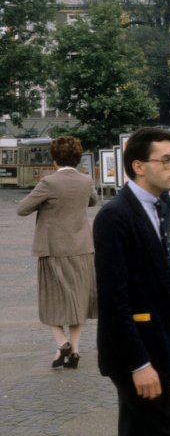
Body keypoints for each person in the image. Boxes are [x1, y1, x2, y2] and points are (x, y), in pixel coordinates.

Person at [93, 127, 170, 436]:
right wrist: (139, 364)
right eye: (167, 159)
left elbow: (163, 278)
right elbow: (114, 299)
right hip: (135, 354)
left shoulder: (159, 206)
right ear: (139, 166)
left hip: (153, 342)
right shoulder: (115, 216)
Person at [16, 136, 99, 369]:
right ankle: (75, 349)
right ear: (78, 157)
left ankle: (62, 343)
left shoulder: (48, 182)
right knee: (78, 300)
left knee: (51, 299)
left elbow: (22, 209)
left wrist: (45, 203)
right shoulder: (85, 180)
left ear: (54, 159)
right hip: (82, 248)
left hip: (53, 249)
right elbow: (93, 201)